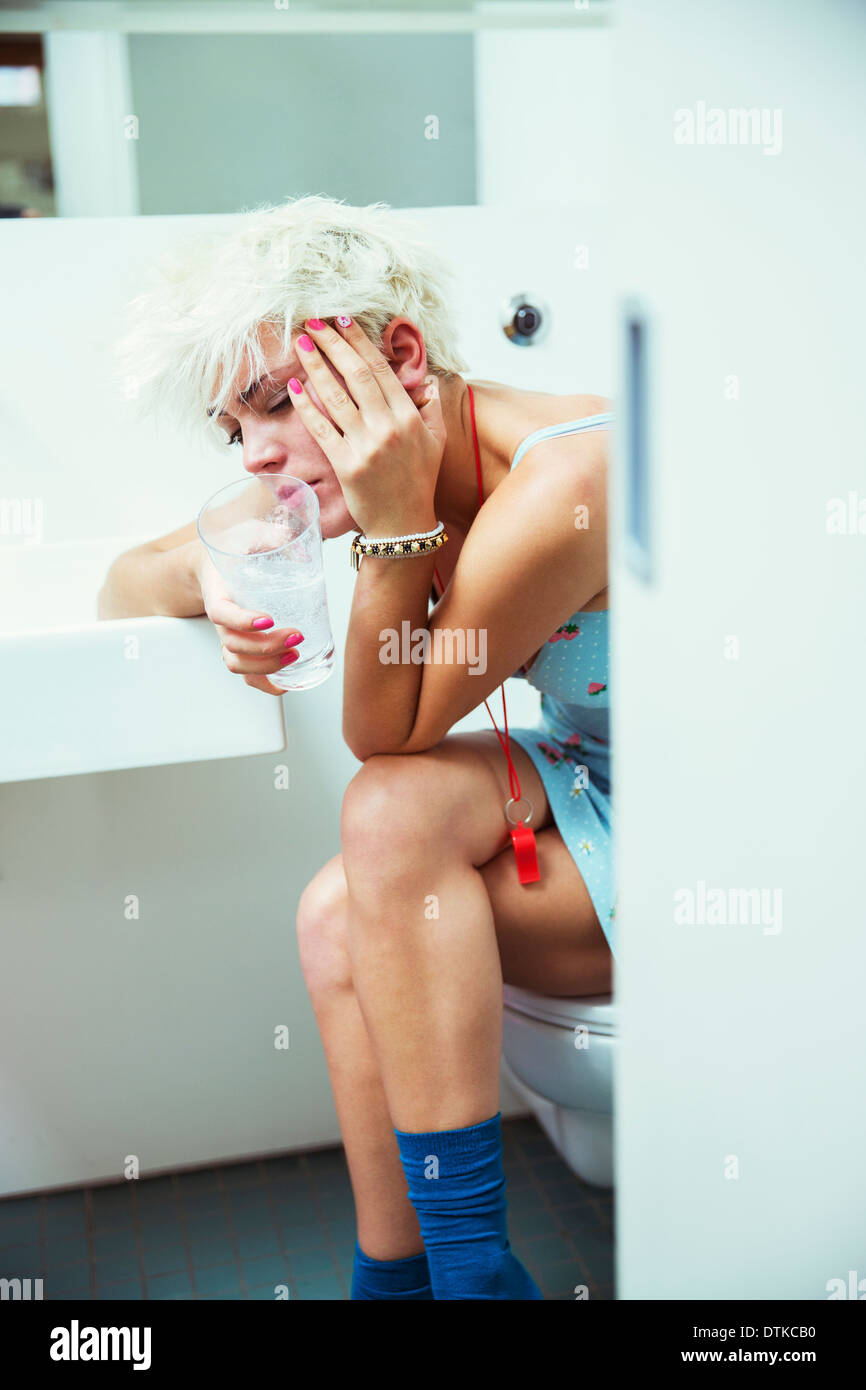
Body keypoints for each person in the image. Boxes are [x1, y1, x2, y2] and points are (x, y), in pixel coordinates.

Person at [100, 194, 614, 1300]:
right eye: (231, 428)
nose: (258, 454)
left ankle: (460, 1275)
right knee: (341, 903)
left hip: (735, 834)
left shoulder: (568, 480)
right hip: (596, 784)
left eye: (277, 401)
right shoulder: (382, 472)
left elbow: (383, 733)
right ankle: (402, 1273)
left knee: (379, 821)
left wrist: (389, 535)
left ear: (399, 356)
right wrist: (212, 588)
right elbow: (121, 582)